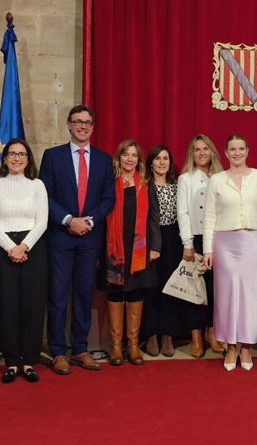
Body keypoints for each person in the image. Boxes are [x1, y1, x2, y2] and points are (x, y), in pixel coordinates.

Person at [39, 105, 115, 375]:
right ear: (68, 125)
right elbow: (44, 195)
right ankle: (58, 351)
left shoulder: (105, 161)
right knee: (58, 295)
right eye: (77, 122)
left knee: (84, 294)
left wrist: (89, 221)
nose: (82, 126)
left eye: (87, 122)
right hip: (61, 236)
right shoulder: (52, 156)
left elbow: (109, 198)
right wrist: (69, 220)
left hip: (89, 238)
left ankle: (80, 349)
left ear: (93, 127)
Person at [203, 134, 257, 371]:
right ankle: (230, 346)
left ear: (247, 150)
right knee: (226, 296)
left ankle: (246, 346)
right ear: (225, 152)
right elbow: (210, 216)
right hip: (224, 243)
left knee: (251, 296)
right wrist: (207, 249)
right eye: (232, 149)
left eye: (241, 148)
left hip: (253, 241)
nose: (237, 153)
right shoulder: (217, 180)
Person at [0, 139, 48, 383]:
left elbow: (42, 221)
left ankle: (29, 361)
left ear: (28, 159)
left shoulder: (37, 185)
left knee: (32, 306)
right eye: (12, 154)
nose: (17, 158)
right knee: (8, 306)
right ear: (5, 158)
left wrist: (23, 246)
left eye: (22, 154)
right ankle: (11, 362)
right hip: (3, 250)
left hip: (33, 248)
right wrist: (12, 248)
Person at [104, 139, 161, 366]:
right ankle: (116, 347)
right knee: (116, 293)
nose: (129, 159)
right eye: (125, 155)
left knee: (136, 292)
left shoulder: (146, 184)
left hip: (140, 247)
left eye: (134, 155)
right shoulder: (109, 182)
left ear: (139, 160)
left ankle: (133, 345)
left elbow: (154, 219)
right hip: (114, 247)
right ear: (119, 158)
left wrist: (155, 246)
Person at [177, 134, 225, 354]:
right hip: (196, 238)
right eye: (197, 149)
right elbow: (183, 212)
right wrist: (188, 243)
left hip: (219, 239)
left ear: (212, 151)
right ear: (192, 154)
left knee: (216, 290)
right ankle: (196, 336)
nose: (202, 153)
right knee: (196, 290)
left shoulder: (222, 176)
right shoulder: (186, 178)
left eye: (206, 148)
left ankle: (213, 333)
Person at [140, 145, 190, 357]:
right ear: (150, 162)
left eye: (165, 159)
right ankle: (150, 334)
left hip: (173, 239)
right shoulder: (144, 185)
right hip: (151, 239)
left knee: (170, 286)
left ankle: (167, 334)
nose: (162, 162)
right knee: (151, 286)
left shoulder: (178, 185)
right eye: (158, 159)